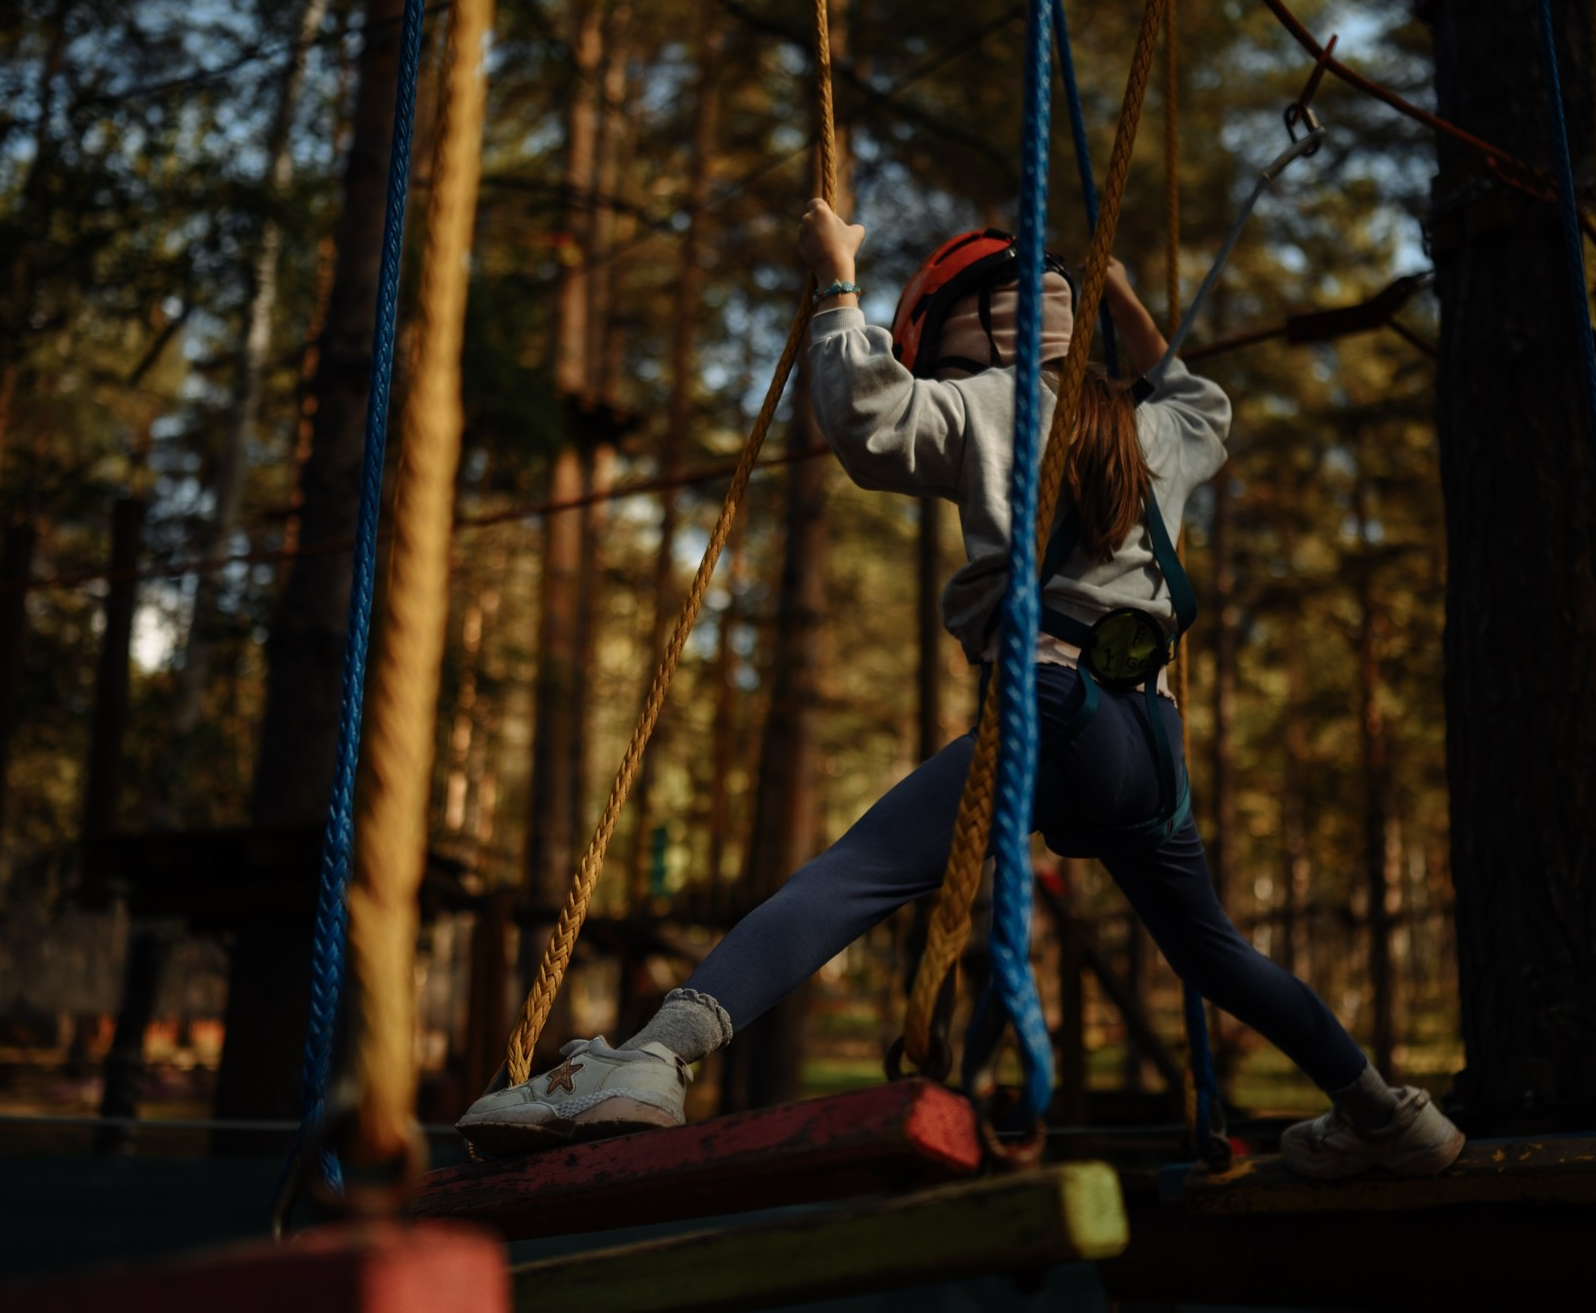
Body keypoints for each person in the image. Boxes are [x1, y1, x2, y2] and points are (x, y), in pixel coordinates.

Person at [457, 200, 1466, 1180]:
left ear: (980, 326)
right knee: (1214, 952)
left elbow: (865, 414)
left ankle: (651, 1058)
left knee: (858, 871)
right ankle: (1389, 1111)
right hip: (1148, 742)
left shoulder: (991, 403)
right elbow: (1202, 399)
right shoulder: (1155, 432)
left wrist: (838, 277)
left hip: (1052, 710)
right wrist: (1120, 299)